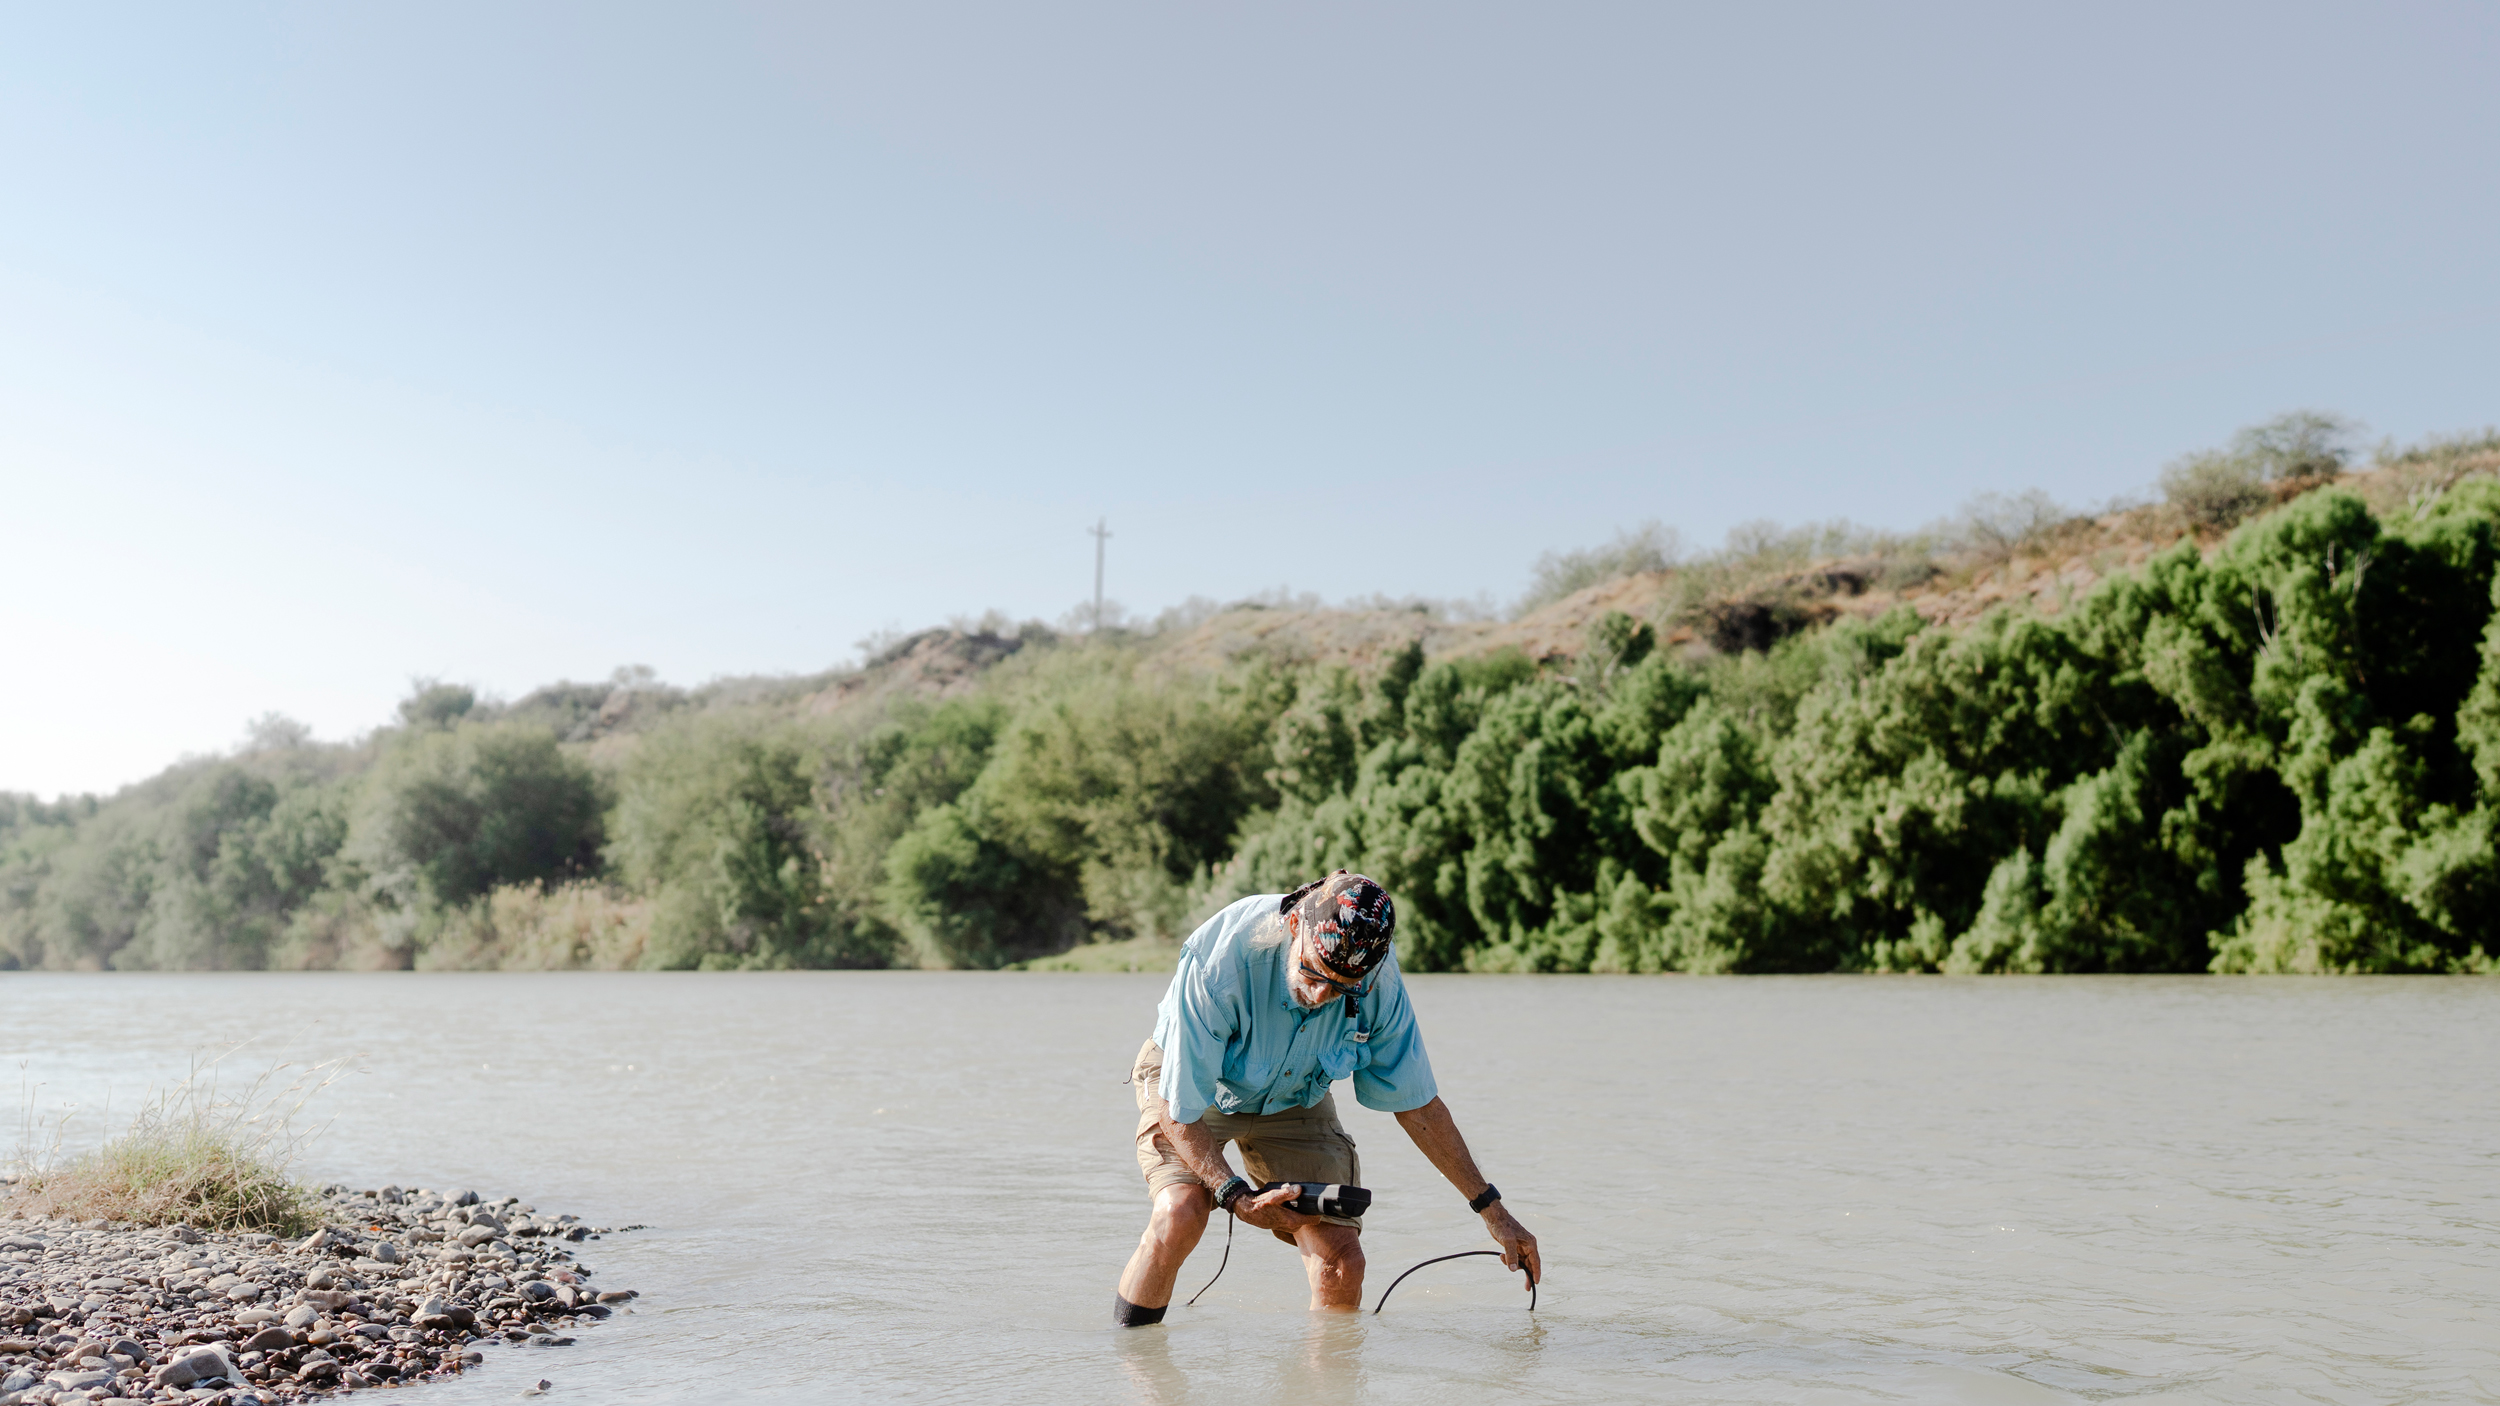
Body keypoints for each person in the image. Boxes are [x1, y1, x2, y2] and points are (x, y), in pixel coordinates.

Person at [1113, 870, 1541, 1325]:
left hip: (1295, 1096)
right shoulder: (1221, 959)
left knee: (1342, 1261)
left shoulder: (1379, 981)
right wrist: (1234, 1194)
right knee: (1181, 1213)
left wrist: (1493, 1212)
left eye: (1341, 989)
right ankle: (1135, 1367)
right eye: (1314, 973)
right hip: (1198, 1091)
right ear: (1295, 926)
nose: (1320, 996)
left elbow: (1419, 1107)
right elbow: (1180, 1108)